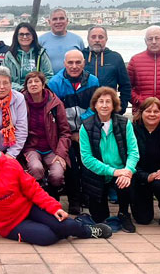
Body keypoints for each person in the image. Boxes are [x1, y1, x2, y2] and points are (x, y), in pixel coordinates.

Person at [0, 134, 110, 245]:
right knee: (47, 237)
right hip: (9, 225)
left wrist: (54, 207)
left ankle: (87, 230)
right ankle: (67, 229)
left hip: (28, 209)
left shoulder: (10, 164)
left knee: (65, 224)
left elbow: (33, 189)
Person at [79, 87, 139, 232]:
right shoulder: (86, 126)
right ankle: (102, 212)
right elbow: (86, 159)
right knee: (99, 218)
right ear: (95, 105)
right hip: (98, 173)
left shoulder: (125, 123)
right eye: (101, 102)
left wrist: (128, 170)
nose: (104, 105)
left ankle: (124, 213)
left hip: (121, 171)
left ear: (114, 105)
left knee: (125, 181)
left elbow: (133, 152)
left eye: (108, 102)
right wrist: (114, 171)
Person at [46, 49, 98, 212]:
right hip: (65, 132)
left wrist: (82, 129)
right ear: (64, 64)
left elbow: (95, 106)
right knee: (71, 166)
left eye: (78, 62)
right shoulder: (55, 83)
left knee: (88, 164)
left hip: (86, 130)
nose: (74, 66)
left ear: (84, 63)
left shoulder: (93, 81)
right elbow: (55, 113)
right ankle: (74, 200)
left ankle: (88, 197)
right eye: (70, 63)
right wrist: (69, 133)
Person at [21, 71, 73, 200]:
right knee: (36, 168)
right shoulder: (20, 102)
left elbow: (65, 132)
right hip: (31, 147)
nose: (33, 84)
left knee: (57, 174)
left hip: (52, 148)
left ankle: (54, 197)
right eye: (30, 82)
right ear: (26, 86)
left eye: (37, 81)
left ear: (43, 84)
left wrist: (61, 153)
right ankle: (37, 198)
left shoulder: (55, 103)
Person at [131, 97, 160, 226]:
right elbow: (127, 160)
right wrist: (146, 177)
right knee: (143, 220)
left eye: (156, 112)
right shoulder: (131, 130)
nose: (152, 114)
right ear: (141, 113)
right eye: (148, 111)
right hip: (140, 177)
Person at [84, 26, 131, 114]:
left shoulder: (115, 57)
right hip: (85, 111)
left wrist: (121, 107)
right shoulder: (81, 56)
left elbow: (125, 85)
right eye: (93, 37)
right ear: (88, 39)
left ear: (106, 39)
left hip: (109, 110)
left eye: (101, 37)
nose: (97, 40)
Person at [3, 22, 54, 91]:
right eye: (21, 34)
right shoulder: (10, 56)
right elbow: (4, 79)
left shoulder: (41, 54)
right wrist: (22, 89)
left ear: (33, 36)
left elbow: (49, 76)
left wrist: (37, 87)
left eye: (28, 34)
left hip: (38, 93)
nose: (24, 37)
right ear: (16, 37)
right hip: (17, 93)